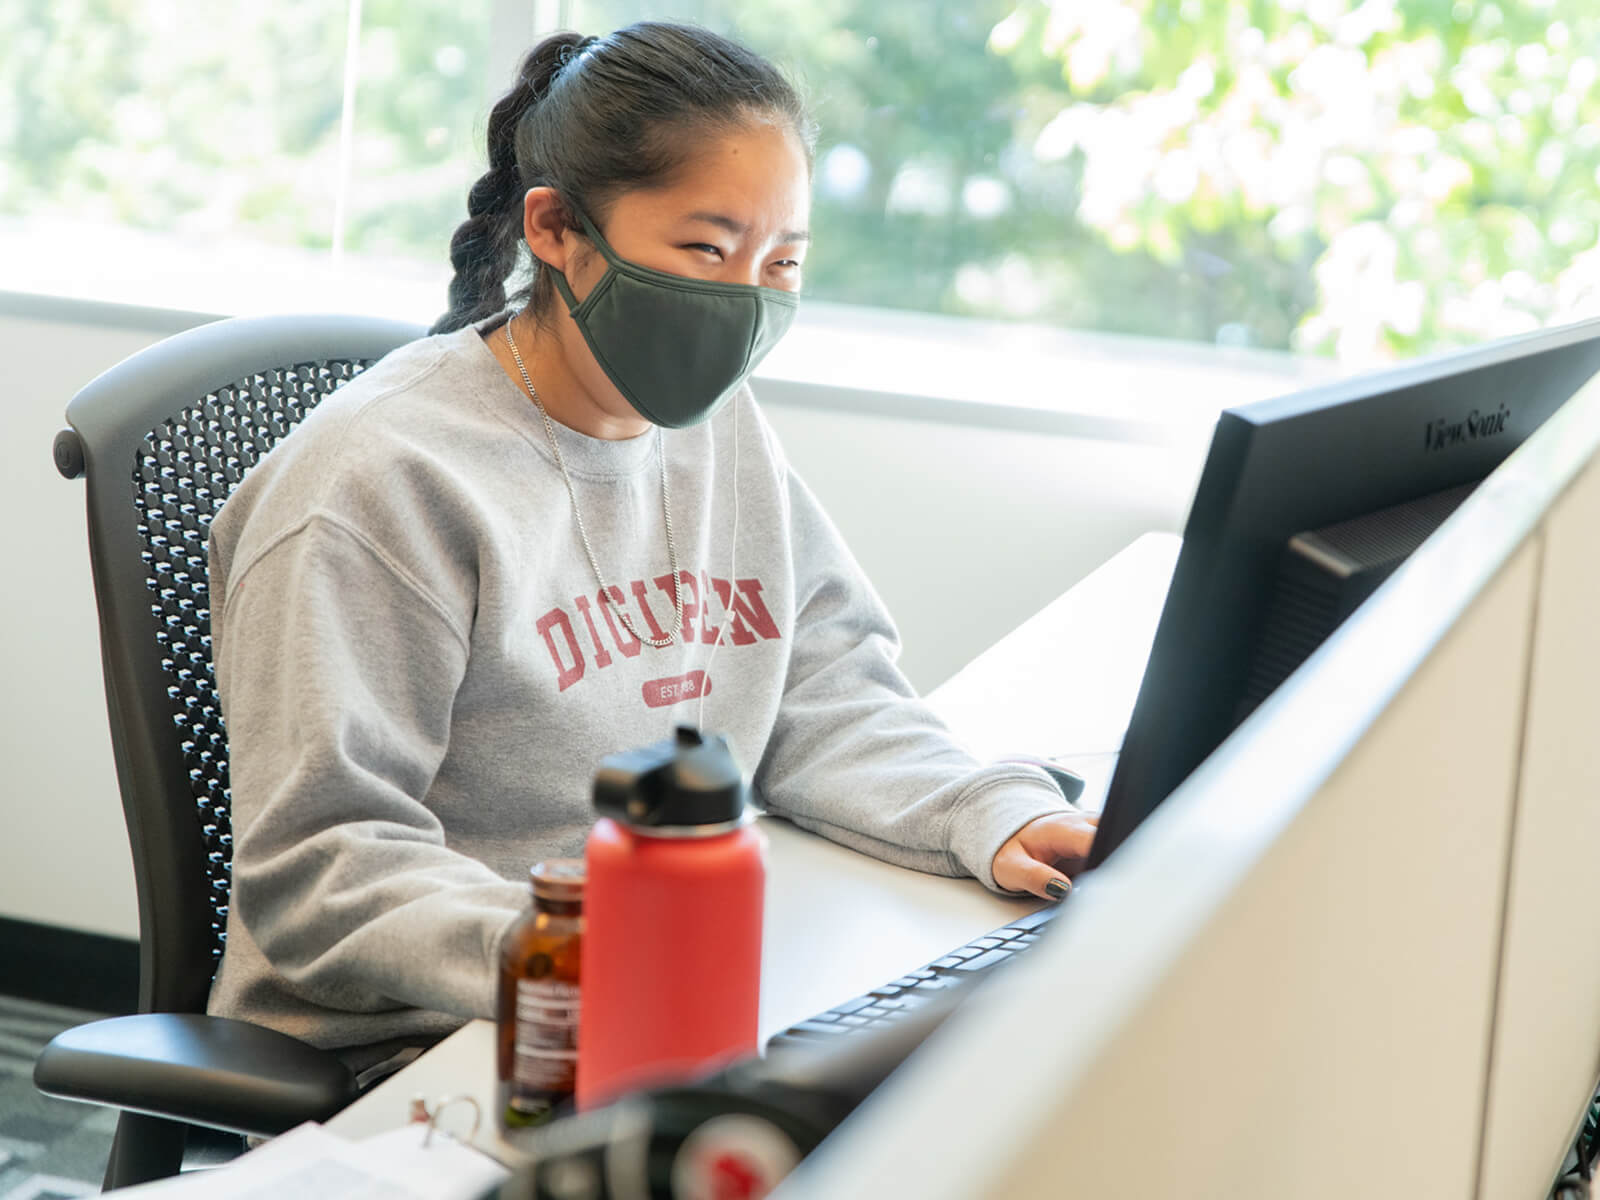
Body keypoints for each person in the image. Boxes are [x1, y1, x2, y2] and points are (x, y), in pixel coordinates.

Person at [205, 21, 1097, 1080]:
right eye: (706, 250)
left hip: (666, 988)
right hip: (430, 1035)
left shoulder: (712, 427)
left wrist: (992, 812)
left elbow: (821, 692)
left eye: (783, 262)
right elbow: (323, 865)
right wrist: (575, 953)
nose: (744, 298)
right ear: (556, 229)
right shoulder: (379, 482)